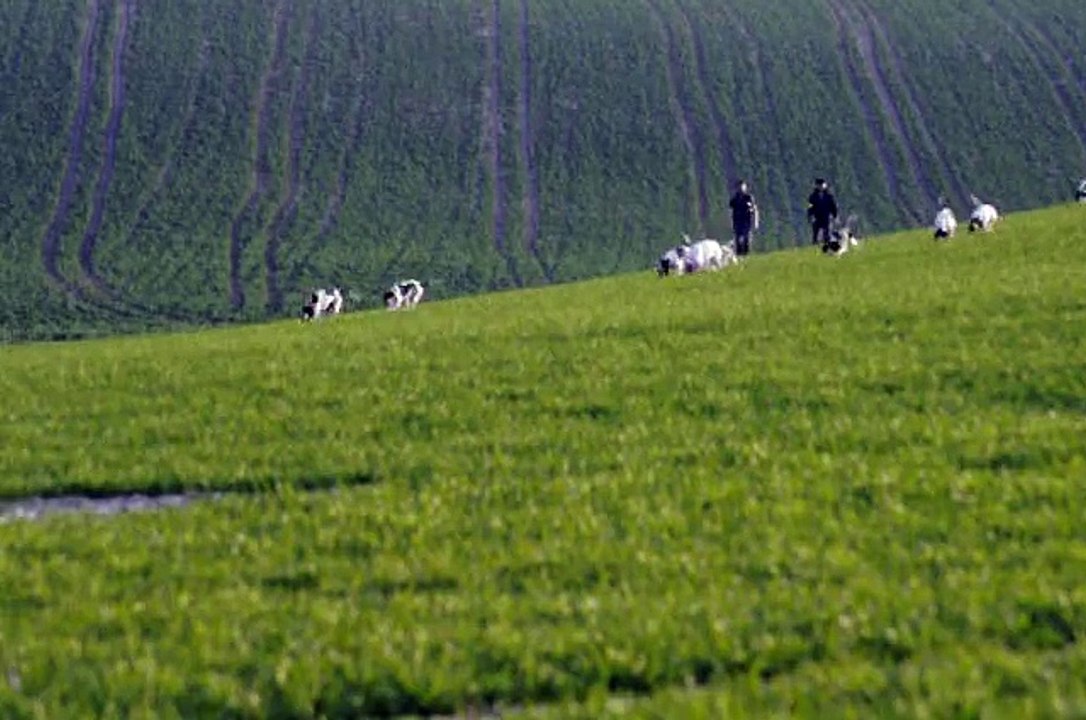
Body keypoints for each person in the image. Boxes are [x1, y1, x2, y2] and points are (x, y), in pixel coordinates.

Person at [728, 179, 759, 256]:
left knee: (747, 239)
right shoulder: (734, 200)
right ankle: (739, 255)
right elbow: (730, 212)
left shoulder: (749, 198)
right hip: (737, 222)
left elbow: (754, 209)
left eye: (742, 186)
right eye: (739, 186)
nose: (741, 188)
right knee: (738, 240)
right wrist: (730, 222)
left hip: (747, 221)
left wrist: (755, 221)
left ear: (745, 187)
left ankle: (746, 254)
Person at [806, 178, 838, 249]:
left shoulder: (829, 196)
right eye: (819, 185)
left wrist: (834, 215)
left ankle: (826, 246)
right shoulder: (812, 197)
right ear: (816, 186)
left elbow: (833, 206)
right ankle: (814, 245)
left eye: (822, 185)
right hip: (816, 217)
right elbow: (810, 207)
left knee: (826, 232)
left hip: (826, 217)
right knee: (815, 233)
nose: (820, 187)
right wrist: (810, 216)